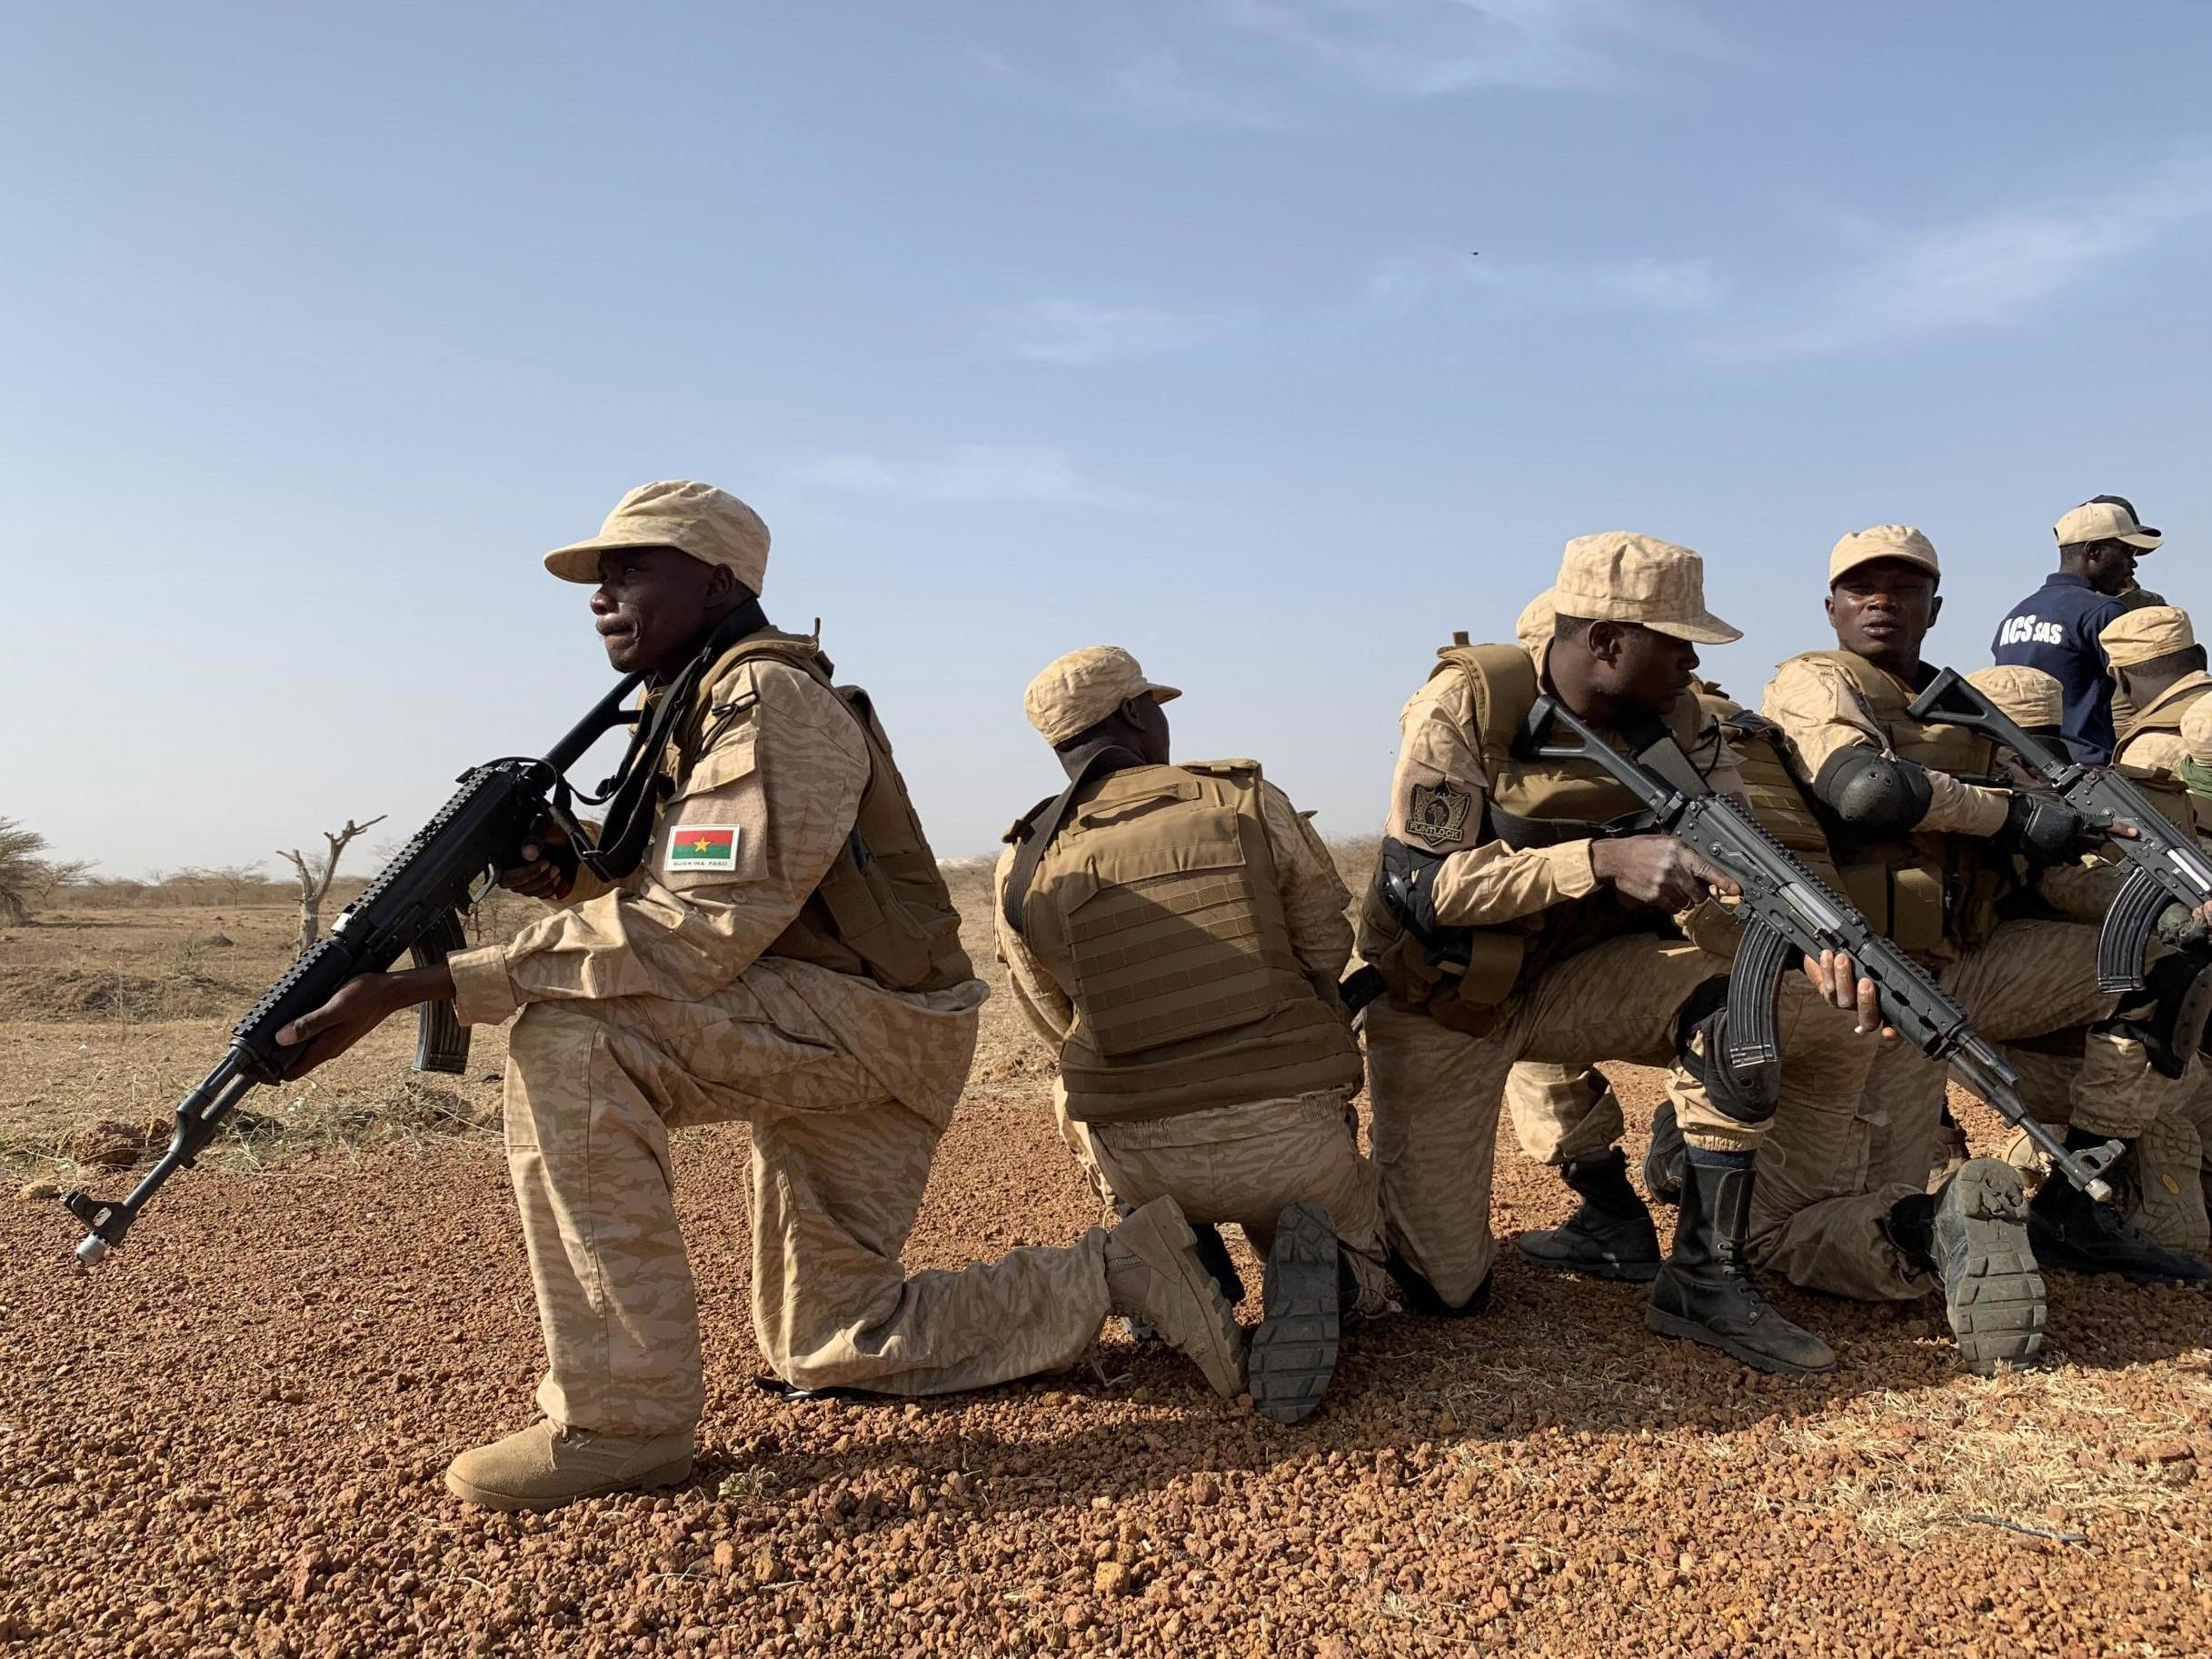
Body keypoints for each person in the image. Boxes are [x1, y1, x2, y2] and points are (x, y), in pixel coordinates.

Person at [271, 481, 1244, 1511]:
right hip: (831, 1023)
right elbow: (706, 894)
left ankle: (623, 1421)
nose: (603, 594)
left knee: (571, 1037)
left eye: (633, 567)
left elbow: (694, 934)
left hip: (874, 1031)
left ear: (721, 580)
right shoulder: (697, 708)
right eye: (599, 576)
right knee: (828, 1338)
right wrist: (582, 877)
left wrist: (416, 986)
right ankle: (1129, 1269)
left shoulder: (772, 704)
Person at [1356, 531, 1891, 1378]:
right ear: (1606, 641)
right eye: (1676, 643)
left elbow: (1742, 865)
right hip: (1447, 1002)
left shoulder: (1686, 726)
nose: (1690, 663)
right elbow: (1426, 891)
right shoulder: (1468, 703)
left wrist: (1800, 942)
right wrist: (1601, 860)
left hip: (1576, 981)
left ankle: (1705, 1278)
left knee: (1744, 1004)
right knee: (1444, 1293)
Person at [1758, 525, 2206, 1343]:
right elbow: (1866, 792)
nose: (1883, 602)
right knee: (1793, 1225)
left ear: (1937, 605)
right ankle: (1928, 1221)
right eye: (1863, 588)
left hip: (1976, 959)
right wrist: (2006, 811)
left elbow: (2048, 849)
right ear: (1831, 607)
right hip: (1871, 982)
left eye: (1904, 588)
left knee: (2165, 951)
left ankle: (2077, 1196)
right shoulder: (1816, 681)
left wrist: (2163, 899)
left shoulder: (1964, 705)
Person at [992, 646, 1391, 1424]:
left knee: (1066, 1085)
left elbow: (1052, 1016)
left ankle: (1178, 1251)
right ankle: (1338, 1277)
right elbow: (1322, 945)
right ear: (1138, 715)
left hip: (1141, 1152)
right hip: (1287, 1133)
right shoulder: (1243, 799)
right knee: (1364, 1258)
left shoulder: (1026, 855)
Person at [1991, 496, 2166, 762]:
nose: (2133, 564)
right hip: (2087, 774)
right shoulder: (2102, 611)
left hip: (2024, 767)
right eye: (2126, 552)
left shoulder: (2015, 615)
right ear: (2093, 551)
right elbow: (2154, 695)